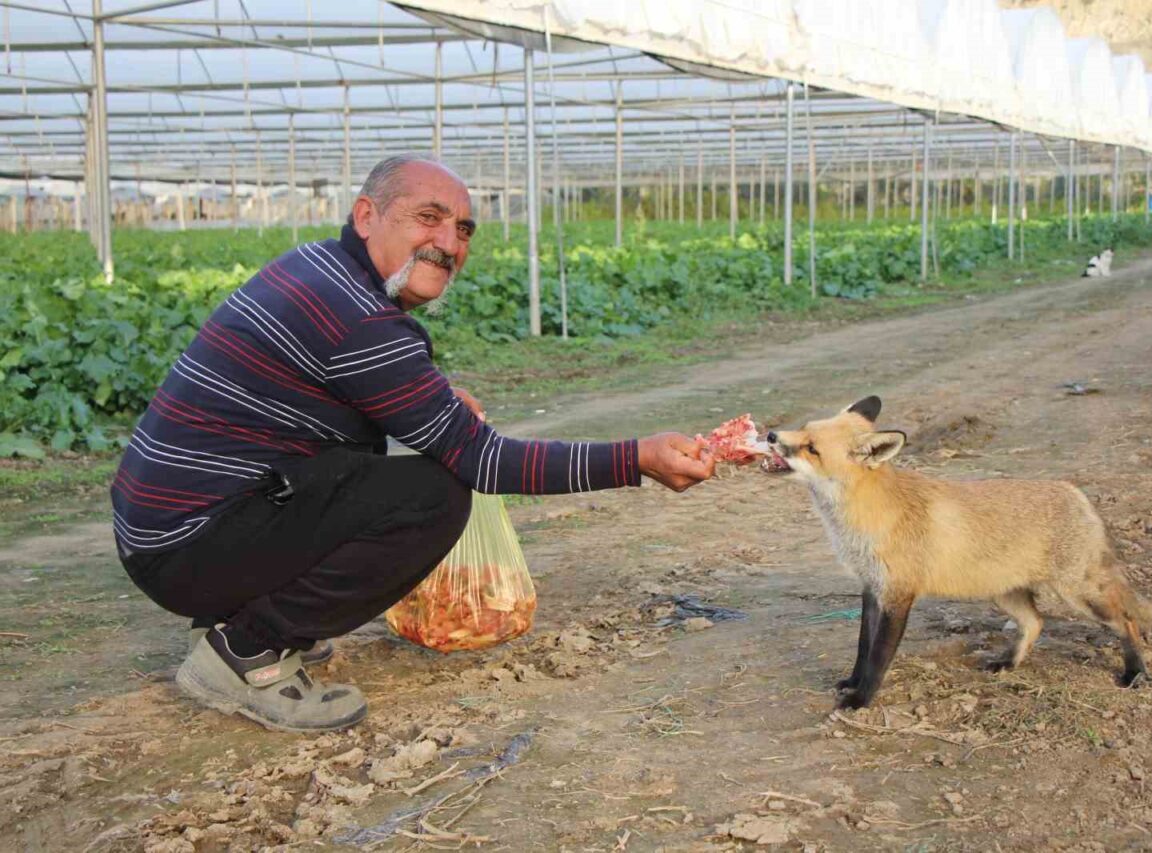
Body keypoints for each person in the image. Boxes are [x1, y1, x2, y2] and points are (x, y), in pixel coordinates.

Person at [112, 154, 716, 733]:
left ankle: (231, 616)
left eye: (463, 229)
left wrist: (432, 403)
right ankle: (246, 651)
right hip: (185, 546)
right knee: (434, 495)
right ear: (367, 215)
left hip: (170, 527)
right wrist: (635, 457)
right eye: (428, 218)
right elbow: (485, 460)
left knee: (373, 465)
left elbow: (329, 394)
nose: (450, 244)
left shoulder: (321, 269)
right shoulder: (359, 317)